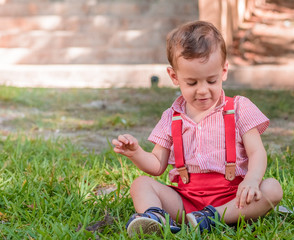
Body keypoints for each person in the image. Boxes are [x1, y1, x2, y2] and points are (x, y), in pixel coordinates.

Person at [112, 20, 283, 236]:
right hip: (185, 204)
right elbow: (156, 166)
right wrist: (135, 153)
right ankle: (155, 217)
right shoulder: (171, 117)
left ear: (224, 71)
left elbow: (256, 152)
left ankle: (213, 218)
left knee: (272, 188)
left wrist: (251, 180)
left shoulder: (239, 108)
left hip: (233, 199)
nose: (202, 90)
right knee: (140, 184)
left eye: (211, 81)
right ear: (174, 77)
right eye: (192, 83)